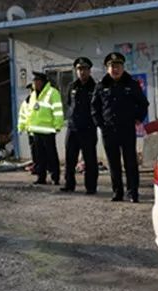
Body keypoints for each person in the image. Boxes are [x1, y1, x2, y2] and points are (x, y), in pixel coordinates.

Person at [92, 52, 149, 202]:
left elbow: (143, 104)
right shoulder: (101, 85)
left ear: (123, 67)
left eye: (117, 66)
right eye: (111, 66)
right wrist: (100, 124)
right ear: (107, 68)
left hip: (127, 129)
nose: (115, 69)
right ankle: (117, 192)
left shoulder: (131, 84)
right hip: (108, 130)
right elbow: (94, 108)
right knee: (113, 163)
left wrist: (138, 118)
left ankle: (133, 193)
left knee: (130, 162)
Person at [60, 57, 98, 195]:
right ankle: (69, 184)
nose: (82, 72)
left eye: (84, 69)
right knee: (70, 158)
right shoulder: (72, 86)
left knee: (90, 159)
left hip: (88, 128)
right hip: (73, 128)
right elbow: (69, 103)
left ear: (89, 70)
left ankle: (91, 187)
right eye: (79, 69)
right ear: (76, 71)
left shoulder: (95, 87)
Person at [28, 71, 64, 185]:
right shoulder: (33, 94)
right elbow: (31, 112)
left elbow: (58, 111)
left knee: (51, 155)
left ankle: (55, 177)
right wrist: (29, 127)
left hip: (48, 130)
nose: (35, 84)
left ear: (43, 82)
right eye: (34, 81)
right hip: (36, 130)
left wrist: (58, 125)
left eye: (37, 81)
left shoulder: (53, 93)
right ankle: (41, 177)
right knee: (39, 156)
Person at [16, 82, 40, 180]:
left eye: (32, 89)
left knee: (41, 151)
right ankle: (36, 166)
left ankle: (42, 167)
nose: (31, 91)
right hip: (30, 130)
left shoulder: (39, 100)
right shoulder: (27, 101)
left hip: (40, 130)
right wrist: (21, 127)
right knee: (34, 150)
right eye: (30, 90)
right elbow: (22, 115)